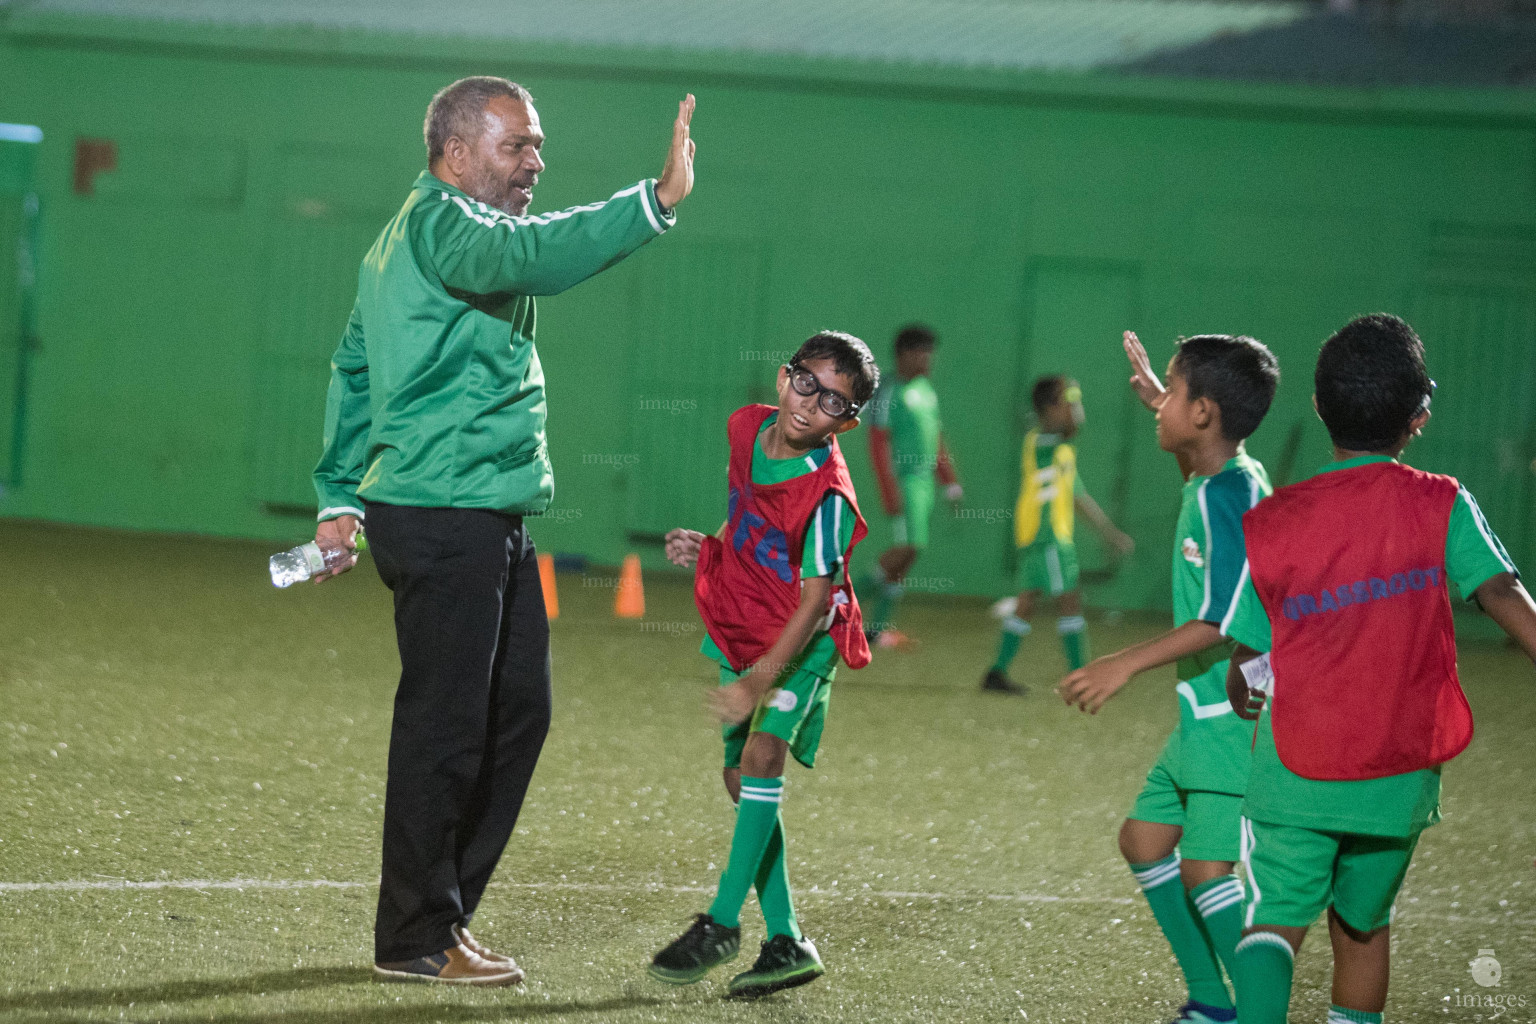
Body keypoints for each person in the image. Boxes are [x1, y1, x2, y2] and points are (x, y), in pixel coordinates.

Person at [310, 76, 697, 985]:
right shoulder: (445, 224)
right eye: (517, 145)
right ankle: (412, 937)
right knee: (446, 728)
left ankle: (442, 918)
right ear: (454, 154)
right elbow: (538, 251)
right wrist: (656, 200)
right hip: (446, 514)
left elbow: (354, 365)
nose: (536, 161)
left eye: (537, 144)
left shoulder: (412, 238)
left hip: (484, 511)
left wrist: (337, 495)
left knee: (518, 713)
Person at [1221, 313, 1536, 1024]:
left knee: (1275, 924)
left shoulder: (1276, 518)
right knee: (1363, 928)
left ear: (1317, 406)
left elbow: (1246, 650)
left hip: (1296, 768)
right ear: (1418, 416)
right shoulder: (1442, 503)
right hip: (1397, 773)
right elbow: (1503, 593)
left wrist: (1244, 683)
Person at [649, 331, 879, 998]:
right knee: (737, 776)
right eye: (808, 383)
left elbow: (814, 600)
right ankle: (787, 939)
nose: (814, 404)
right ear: (783, 378)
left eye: (836, 402)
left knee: (761, 758)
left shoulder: (829, 496)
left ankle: (721, 923)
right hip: (742, 625)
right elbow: (748, 516)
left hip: (800, 644)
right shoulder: (746, 430)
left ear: (850, 421)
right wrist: (712, 545)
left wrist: (759, 681)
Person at [1060, 332, 1279, 1024]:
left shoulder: (1232, 495)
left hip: (1234, 719)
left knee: (1205, 874)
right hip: (1202, 715)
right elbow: (1200, 457)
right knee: (1144, 841)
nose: (1159, 407)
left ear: (1207, 412)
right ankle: (1213, 1001)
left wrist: (1121, 662)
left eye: (1175, 394)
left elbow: (1220, 619)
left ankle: (1260, 1010)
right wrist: (1170, 406)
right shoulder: (1220, 477)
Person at [982, 375, 1133, 694]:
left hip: (1045, 537)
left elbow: (1077, 495)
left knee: (1026, 603)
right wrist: (1070, 407)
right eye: (1069, 401)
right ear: (1050, 408)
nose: (1076, 408)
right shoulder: (1043, 442)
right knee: (1069, 601)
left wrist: (1107, 532)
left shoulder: (1061, 450)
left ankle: (996, 673)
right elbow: (1070, 426)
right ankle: (1082, 676)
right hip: (1047, 536)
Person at [861, 323, 961, 647]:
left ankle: (876, 630)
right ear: (905, 354)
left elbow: (936, 439)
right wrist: (888, 489)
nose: (928, 359)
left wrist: (950, 482)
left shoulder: (925, 390)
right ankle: (831, 602)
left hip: (924, 485)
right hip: (903, 482)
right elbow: (878, 442)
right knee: (907, 548)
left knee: (909, 555)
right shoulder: (889, 390)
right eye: (923, 352)